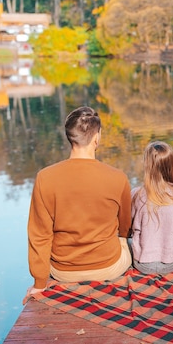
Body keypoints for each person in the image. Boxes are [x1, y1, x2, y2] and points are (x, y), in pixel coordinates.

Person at [25, 106, 132, 301]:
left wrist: (40, 283)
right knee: (126, 240)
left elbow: (39, 235)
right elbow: (125, 227)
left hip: (63, 271)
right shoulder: (118, 178)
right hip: (108, 266)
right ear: (96, 138)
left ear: (70, 137)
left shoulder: (44, 178)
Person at [131, 141, 173, 275]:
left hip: (143, 264)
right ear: (171, 165)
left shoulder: (136, 194)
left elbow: (130, 227)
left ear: (147, 165)